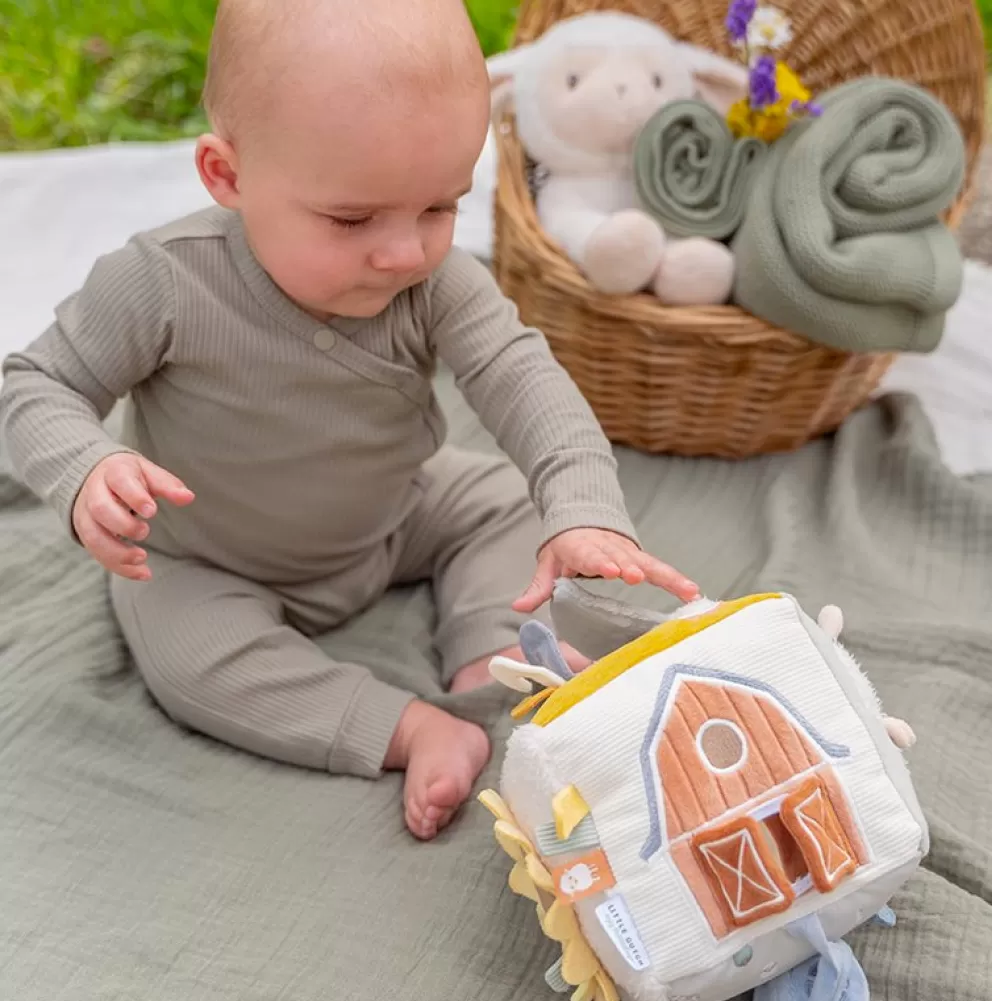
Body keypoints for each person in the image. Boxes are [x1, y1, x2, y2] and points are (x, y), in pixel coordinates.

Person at [0, 0, 698, 840]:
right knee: (187, 655)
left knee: (507, 504)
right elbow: (35, 382)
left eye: (440, 207)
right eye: (352, 218)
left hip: (394, 514)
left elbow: (525, 379)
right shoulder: (162, 283)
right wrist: (84, 472)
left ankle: (490, 652)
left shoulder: (436, 283)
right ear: (228, 176)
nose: (405, 253)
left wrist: (581, 507)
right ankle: (406, 726)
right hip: (210, 556)